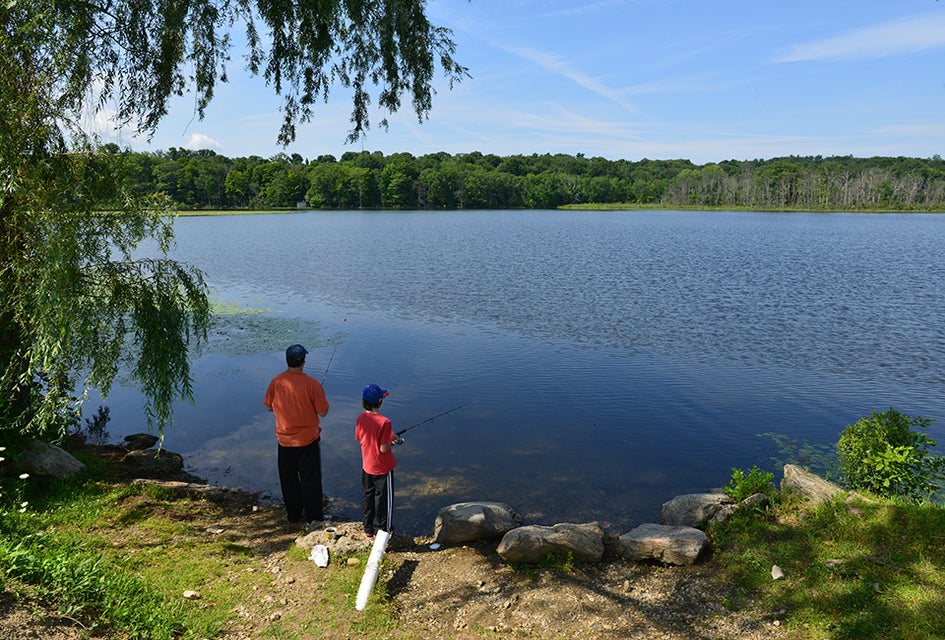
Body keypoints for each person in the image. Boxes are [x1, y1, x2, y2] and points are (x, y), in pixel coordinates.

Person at [264, 344, 330, 526]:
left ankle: (293, 515)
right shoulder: (313, 384)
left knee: (288, 479)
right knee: (311, 480)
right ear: (304, 361)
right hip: (308, 440)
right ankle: (314, 518)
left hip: (284, 441)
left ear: (287, 360)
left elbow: (269, 406)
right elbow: (323, 412)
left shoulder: (276, 382)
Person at [355, 384, 401, 538]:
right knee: (383, 500)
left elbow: (361, 438)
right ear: (380, 402)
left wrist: (389, 436)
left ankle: (368, 528)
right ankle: (383, 530)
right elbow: (383, 449)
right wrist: (392, 442)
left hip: (367, 466)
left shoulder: (361, 418)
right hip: (382, 468)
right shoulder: (385, 422)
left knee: (368, 496)